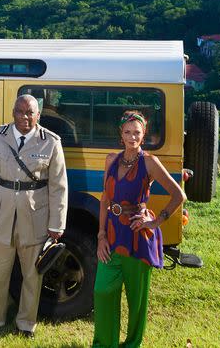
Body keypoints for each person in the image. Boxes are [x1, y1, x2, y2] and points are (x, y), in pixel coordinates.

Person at [0, 94, 68, 338]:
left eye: (31, 112)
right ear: (13, 112)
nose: (25, 117)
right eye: (20, 111)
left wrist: (57, 224)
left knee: (32, 275)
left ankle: (26, 323)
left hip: (34, 218)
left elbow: (59, 187)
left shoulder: (51, 142)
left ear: (39, 115)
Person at [92, 110, 186, 348]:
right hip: (112, 236)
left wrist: (155, 221)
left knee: (137, 301)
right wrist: (101, 235)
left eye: (137, 133)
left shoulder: (149, 162)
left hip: (137, 237)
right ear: (120, 134)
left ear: (144, 135)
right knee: (103, 292)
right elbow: (105, 199)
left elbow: (178, 195)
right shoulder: (111, 160)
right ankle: (105, 344)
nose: (132, 137)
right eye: (127, 132)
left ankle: (132, 344)